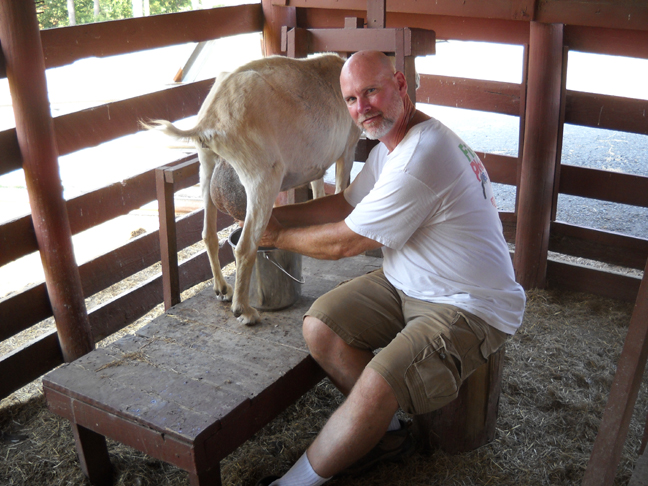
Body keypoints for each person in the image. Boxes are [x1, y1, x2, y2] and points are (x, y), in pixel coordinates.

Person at [254, 50, 526, 486]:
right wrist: (275, 216)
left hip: (466, 303)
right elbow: (347, 202)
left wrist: (273, 238)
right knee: (321, 327)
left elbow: (346, 242)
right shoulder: (393, 145)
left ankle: (291, 484)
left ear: (400, 85)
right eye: (350, 99)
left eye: (371, 91)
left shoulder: (423, 154)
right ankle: (391, 434)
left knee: (377, 385)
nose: (362, 108)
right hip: (408, 280)